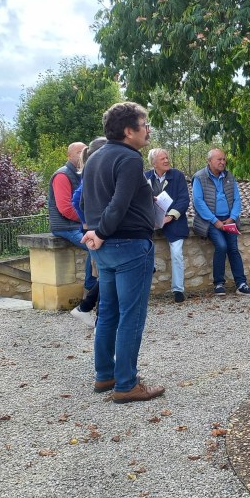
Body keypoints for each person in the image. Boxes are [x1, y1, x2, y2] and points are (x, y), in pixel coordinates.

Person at [80, 102, 165, 404]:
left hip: (104, 249)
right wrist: (102, 232)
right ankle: (127, 384)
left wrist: (96, 232)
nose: (148, 130)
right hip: (128, 245)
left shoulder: (94, 157)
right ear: (129, 130)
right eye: (144, 125)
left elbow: (87, 203)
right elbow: (118, 204)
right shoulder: (129, 158)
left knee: (108, 313)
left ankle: (105, 375)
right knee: (132, 315)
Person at [191, 149, 250, 296]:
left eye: (224, 159)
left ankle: (241, 284)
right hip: (210, 221)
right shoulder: (199, 177)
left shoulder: (229, 176)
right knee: (221, 246)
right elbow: (198, 202)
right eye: (219, 159)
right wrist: (215, 221)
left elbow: (237, 199)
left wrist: (232, 217)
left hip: (228, 219)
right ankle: (219, 283)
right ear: (209, 161)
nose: (222, 162)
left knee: (233, 248)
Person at [48, 141, 96, 318]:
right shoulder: (62, 175)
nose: (82, 154)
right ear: (69, 155)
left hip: (78, 224)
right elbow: (66, 209)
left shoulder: (82, 173)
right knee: (93, 245)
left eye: (84, 150)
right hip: (65, 226)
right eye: (78, 151)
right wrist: (88, 219)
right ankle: (89, 290)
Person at [67, 137, 108, 327]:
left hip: (98, 232)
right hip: (98, 234)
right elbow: (76, 200)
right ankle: (94, 315)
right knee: (106, 277)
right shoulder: (91, 176)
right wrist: (88, 223)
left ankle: (90, 311)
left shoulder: (92, 174)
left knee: (106, 277)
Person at [145, 148, 191, 303]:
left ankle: (178, 290)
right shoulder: (145, 177)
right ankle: (144, 289)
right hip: (151, 221)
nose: (166, 160)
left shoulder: (177, 175)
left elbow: (184, 199)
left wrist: (170, 216)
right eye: (162, 159)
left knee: (177, 253)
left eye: (167, 158)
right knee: (143, 250)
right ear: (154, 163)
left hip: (175, 221)